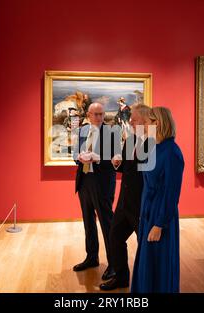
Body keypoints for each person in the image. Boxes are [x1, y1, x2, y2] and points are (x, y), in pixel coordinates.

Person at [131, 107, 185, 293]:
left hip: (160, 216)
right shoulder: (154, 147)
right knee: (147, 261)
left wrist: (159, 224)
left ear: (158, 123)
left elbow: (171, 193)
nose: (144, 126)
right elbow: (146, 184)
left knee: (159, 263)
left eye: (147, 122)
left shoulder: (172, 153)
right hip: (148, 212)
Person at [100, 104, 152, 291]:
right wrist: (117, 163)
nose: (130, 121)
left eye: (135, 119)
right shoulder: (131, 140)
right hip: (124, 202)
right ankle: (121, 279)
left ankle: (146, 282)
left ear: (146, 120)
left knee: (145, 246)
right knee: (115, 237)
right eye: (131, 118)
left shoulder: (153, 141)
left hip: (141, 204)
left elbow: (149, 175)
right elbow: (127, 169)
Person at [73, 102, 118, 281]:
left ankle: (114, 264)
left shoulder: (112, 132)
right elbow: (74, 152)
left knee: (107, 224)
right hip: (84, 181)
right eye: (96, 114)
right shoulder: (82, 131)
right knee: (88, 222)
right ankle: (92, 257)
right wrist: (79, 157)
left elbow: (117, 160)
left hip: (103, 183)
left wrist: (96, 158)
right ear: (89, 115)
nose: (99, 118)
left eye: (102, 114)